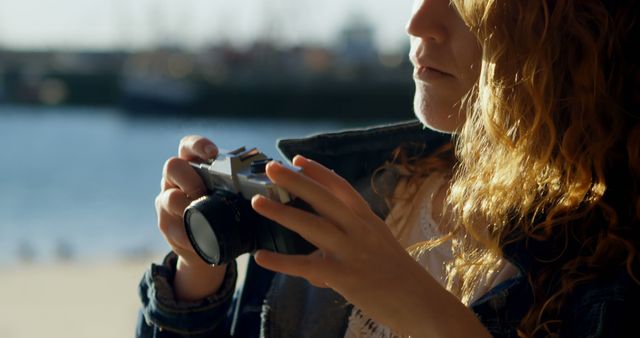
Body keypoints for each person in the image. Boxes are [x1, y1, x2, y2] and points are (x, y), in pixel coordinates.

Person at [137, 0, 640, 337]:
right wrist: (197, 276)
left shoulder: (616, 260)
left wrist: (417, 306)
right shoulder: (374, 185)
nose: (417, 22)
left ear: (572, 32)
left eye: (465, 5)